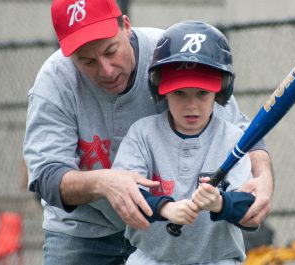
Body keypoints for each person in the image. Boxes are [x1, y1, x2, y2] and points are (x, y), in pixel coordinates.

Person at [23, 0, 274, 264]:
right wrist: (104, 183)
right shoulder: (54, 81)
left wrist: (264, 178)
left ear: (127, 27)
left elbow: (241, 131)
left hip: (166, 237)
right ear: (70, 56)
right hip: (84, 228)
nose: (106, 70)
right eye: (88, 61)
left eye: (111, 51)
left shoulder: (170, 53)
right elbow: (46, 177)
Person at [112, 21, 259, 265]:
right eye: (179, 93)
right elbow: (126, 195)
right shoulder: (142, 134)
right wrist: (165, 209)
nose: (192, 105)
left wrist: (220, 203)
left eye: (202, 93)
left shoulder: (233, 139)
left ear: (220, 90)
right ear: (161, 90)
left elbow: (250, 206)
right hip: (152, 258)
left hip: (217, 259)